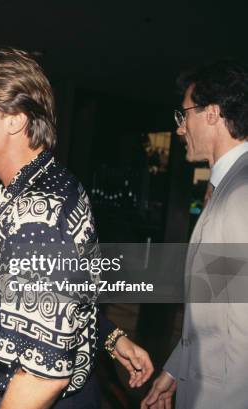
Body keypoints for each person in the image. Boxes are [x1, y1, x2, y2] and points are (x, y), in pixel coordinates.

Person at [0, 46, 128, 409]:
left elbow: (43, 373)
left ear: (15, 119)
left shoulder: (36, 212)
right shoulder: (41, 187)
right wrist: (111, 337)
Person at [142, 60, 248, 409]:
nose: (179, 128)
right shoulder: (227, 187)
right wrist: (175, 371)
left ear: (213, 113)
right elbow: (219, 302)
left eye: (183, 114)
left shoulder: (241, 193)